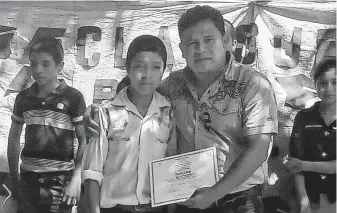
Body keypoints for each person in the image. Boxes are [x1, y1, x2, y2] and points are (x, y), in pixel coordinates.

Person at [85, 5, 278, 213]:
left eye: (208, 40)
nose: (200, 49)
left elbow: (259, 149)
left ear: (225, 42)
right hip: (187, 199)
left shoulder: (253, 85)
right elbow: (136, 91)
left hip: (238, 200)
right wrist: (95, 111)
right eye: (192, 43)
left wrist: (215, 193)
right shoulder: (172, 85)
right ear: (182, 50)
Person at [81, 35, 177, 213]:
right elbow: (92, 171)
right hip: (114, 208)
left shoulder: (168, 113)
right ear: (127, 68)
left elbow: (171, 165)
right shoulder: (106, 112)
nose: (147, 75)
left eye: (156, 67)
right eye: (139, 66)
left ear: (164, 70)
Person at [7, 37, 87, 213]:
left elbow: (83, 140)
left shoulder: (73, 97)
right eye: (34, 64)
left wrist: (76, 179)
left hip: (61, 181)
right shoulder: (23, 98)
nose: (38, 70)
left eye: (45, 64)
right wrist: (15, 182)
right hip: (28, 180)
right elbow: (13, 139)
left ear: (60, 66)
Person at [286, 58, 336, 213]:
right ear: (315, 85)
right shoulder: (303, 118)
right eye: (322, 83)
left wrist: (305, 165)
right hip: (309, 197)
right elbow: (295, 162)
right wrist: (304, 201)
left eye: (335, 82)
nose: (329, 88)